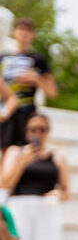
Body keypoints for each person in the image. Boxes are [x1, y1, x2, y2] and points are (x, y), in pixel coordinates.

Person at [1, 112, 69, 240]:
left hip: (46, 207)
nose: (38, 133)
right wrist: (23, 161)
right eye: (33, 129)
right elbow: (5, 183)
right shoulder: (15, 152)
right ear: (26, 131)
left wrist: (58, 194)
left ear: (48, 131)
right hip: (19, 205)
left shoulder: (58, 157)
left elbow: (66, 191)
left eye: (42, 129)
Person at [0, 18, 56, 150]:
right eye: (21, 29)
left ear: (33, 35)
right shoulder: (2, 57)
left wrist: (36, 79)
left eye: (28, 30)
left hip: (27, 113)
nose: (24, 33)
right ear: (14, 32)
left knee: (28, 151)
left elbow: (52, 92)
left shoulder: (38, 60)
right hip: (5, 112)